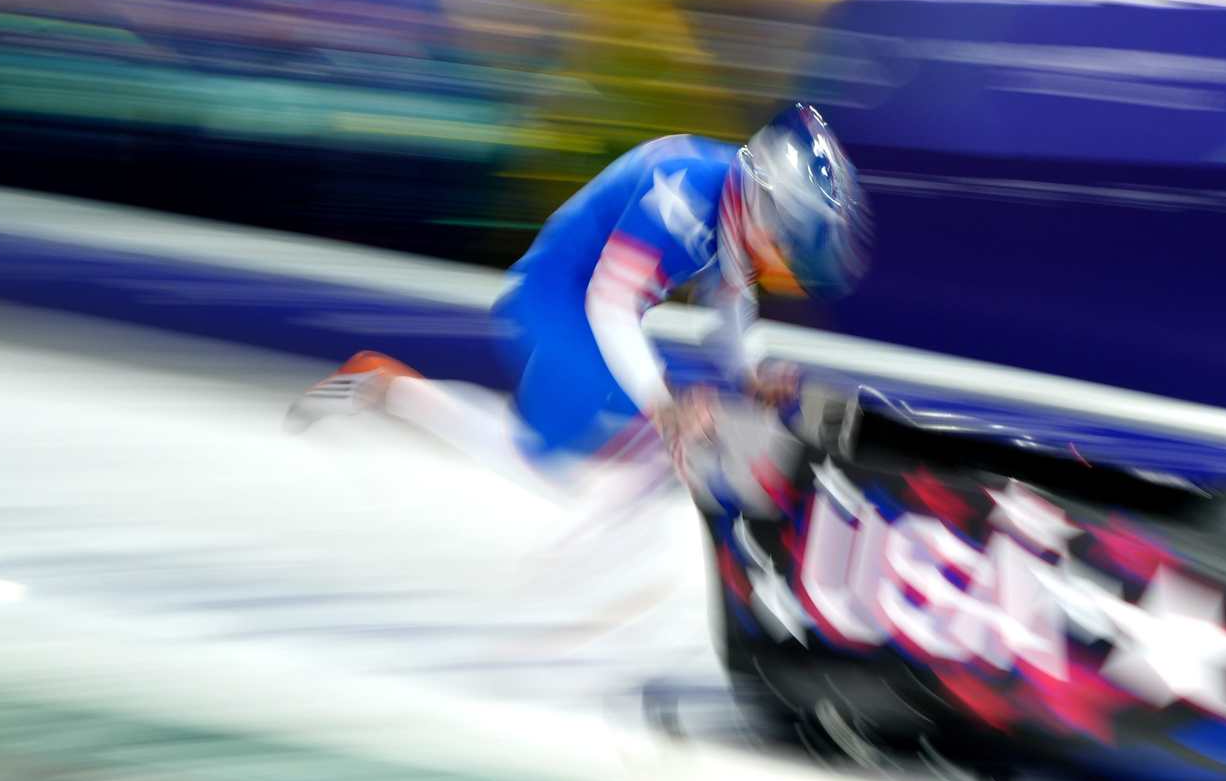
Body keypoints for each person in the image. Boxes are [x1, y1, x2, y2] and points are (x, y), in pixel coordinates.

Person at [288, 103, 868, 503]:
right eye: (791, 242)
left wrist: (749, 372)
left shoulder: (738, 207)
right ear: (767, 208)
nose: (787, 264)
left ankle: (384, 386)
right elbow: (610, 303)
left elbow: (728, 301)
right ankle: (384, 385)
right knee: (572, 460)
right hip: (556, 300)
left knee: (607, 460)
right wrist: (663, 403)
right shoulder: (686, 190)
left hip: (593, 310)